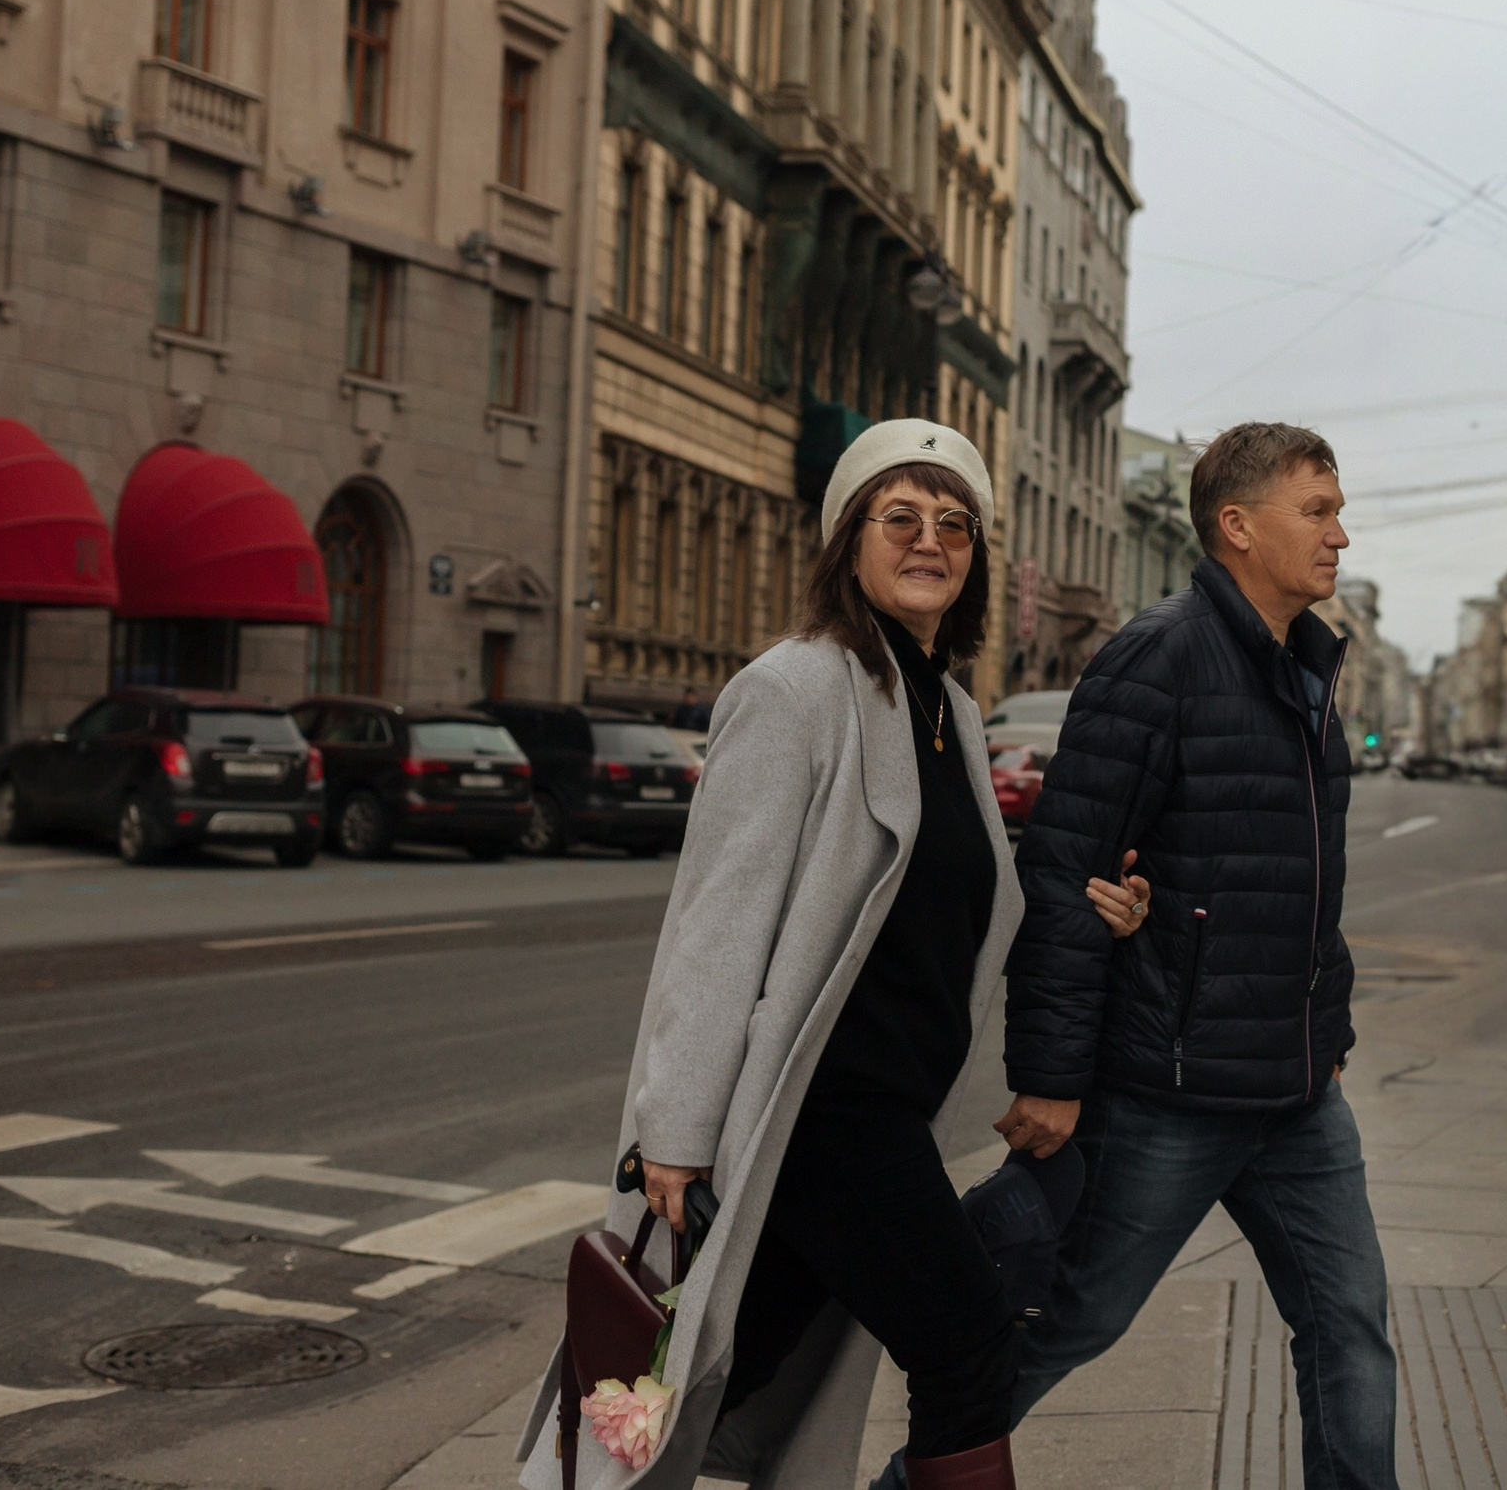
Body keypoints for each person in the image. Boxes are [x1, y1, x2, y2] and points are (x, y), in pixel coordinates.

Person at [521, 420, 1070, 1490]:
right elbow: (716, 922)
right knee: (964, 1340)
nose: (930, 541)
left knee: (702, 1370)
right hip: (821, 1111)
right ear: (846, 542)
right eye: (899, 517)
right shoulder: (794, 690)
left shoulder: (947, 707)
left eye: (953, 523)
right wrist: (671, 1129)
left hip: (883, 1108)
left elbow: (955, 899)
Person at [876, 421, 1397, 1489]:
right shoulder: (1157, 657)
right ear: (1237, 526)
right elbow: (1065, 874)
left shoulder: (1308, 668)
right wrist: (1051, 1080)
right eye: (1319, 509)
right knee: (1066, 1324)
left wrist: (1327, 1029)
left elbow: (1305, 891)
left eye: (1338, 510)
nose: (1340, 534)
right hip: (1169, 1086)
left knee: (1349, 1327)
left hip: (1296, 1092)